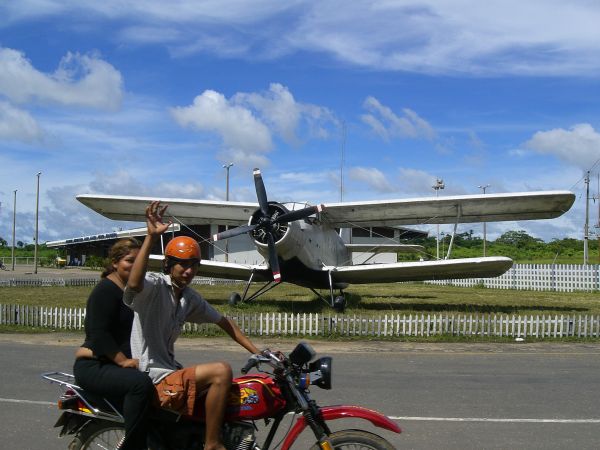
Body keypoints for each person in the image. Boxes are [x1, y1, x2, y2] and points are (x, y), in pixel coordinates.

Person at [124, 201, 262, 450]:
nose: (188, 271)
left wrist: (259, 352)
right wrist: (150, 238)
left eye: (194, 265)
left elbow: (224, 322)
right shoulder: (155, 287)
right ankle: (212, 444)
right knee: (221, 371)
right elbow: (134, 285)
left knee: (234, 392)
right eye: (182, 264)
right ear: (168, 264)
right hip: (152, 377)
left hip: (170, 371)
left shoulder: (188, 297)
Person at [73, 238, 155, 450]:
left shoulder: (132, 291)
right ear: (115, 262)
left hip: (114, 364)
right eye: (130, 260)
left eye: (140, 261)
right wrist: (123, 361)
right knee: (140, 385)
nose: (135, 266)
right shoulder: (105, 291)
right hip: (95, 365)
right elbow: (98, 334)